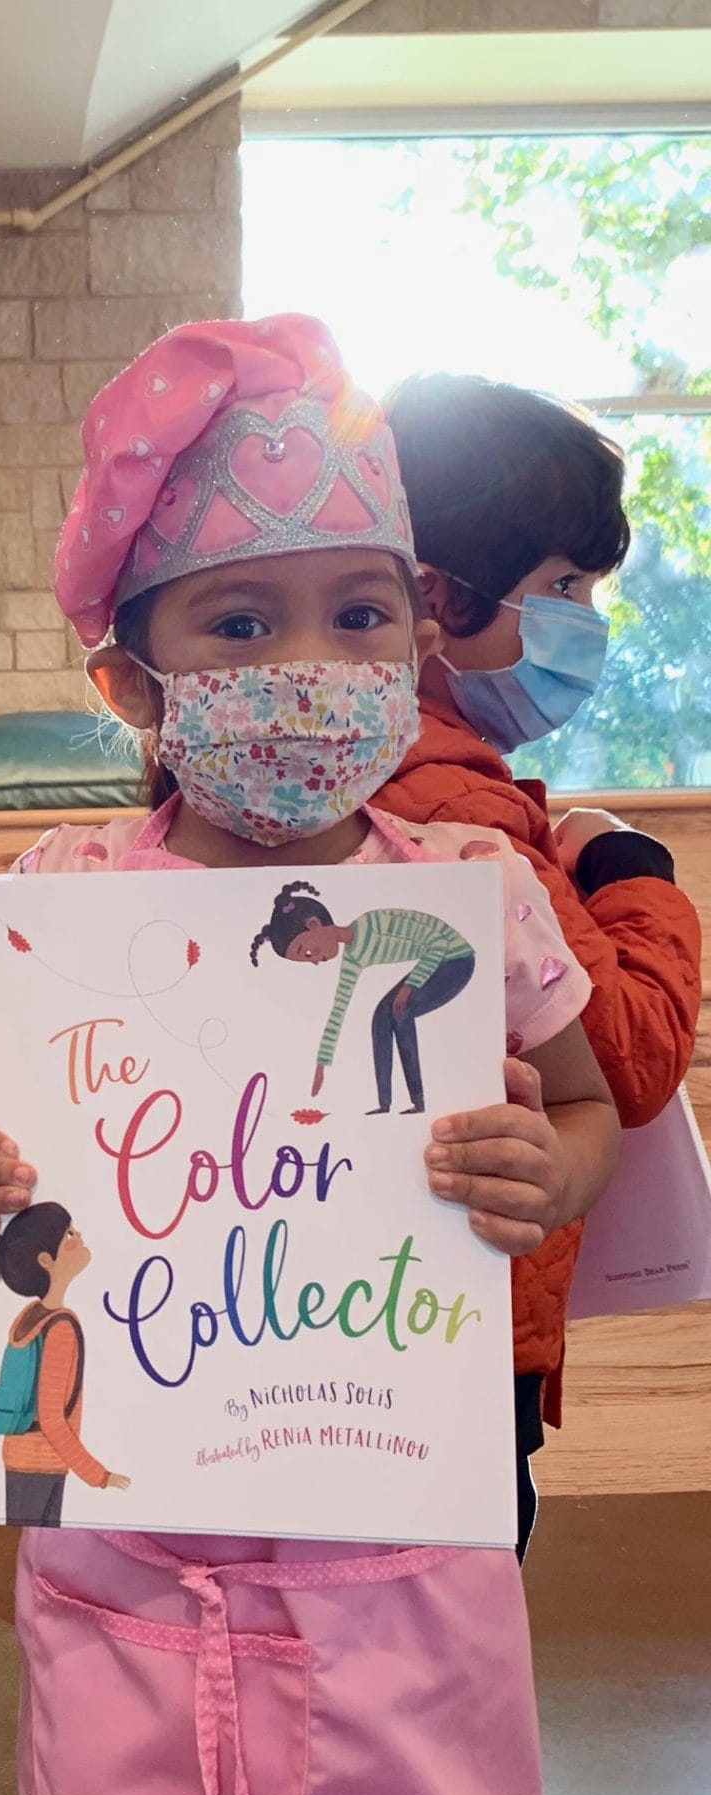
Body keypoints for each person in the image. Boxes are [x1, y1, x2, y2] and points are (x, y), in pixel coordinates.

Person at [0, 315, 621, 1795]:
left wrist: (544, 1169)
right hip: (127, 1551)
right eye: (240, 621)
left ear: (416, 640)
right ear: (128, 676)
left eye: (362, 613)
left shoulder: (471, 895)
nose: (311, 665)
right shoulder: (61, 902)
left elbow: (588, 1116)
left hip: (399, 1552)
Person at [375, 371, 703, 1548]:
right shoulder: (451, 801)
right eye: (561, 586)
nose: (585, 623)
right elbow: (627, 1061)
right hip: (455, 1311)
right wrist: (633, 877)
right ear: (432, 597)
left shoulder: (381, 780)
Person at [249, 878, 476, 1114]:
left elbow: (438, 944)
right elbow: (339, 1009)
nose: (315, 960)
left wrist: (410, 986)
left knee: (401, 1011)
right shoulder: (353, 958)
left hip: (456, 958)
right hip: (438, 962)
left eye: (307, 951)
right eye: (308, 960)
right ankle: (385, 1103)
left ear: (314, 924)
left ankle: (419, 1103)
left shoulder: (373, 924)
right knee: (381, 1017)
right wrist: (322, 1064)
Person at [0, 1202, 130, 1526]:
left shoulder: (28, 1319)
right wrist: (99, 1475)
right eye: (69, 1233)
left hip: (19, 1454)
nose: (79, 1235)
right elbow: (52, 1418)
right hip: (43, 1463)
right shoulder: (60, 1327)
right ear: (46, 1261)